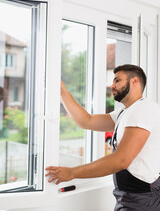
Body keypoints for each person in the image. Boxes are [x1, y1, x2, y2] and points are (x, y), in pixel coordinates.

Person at [46, 64, 160, 210]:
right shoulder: (124, 113)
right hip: (129, 196)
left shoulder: (144, 109)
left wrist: (72, 172)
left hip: (142, 198)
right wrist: (62, 91)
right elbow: (86, 121)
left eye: (117, 80)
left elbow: (121, 160)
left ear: (134, 81)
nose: (112, 86)